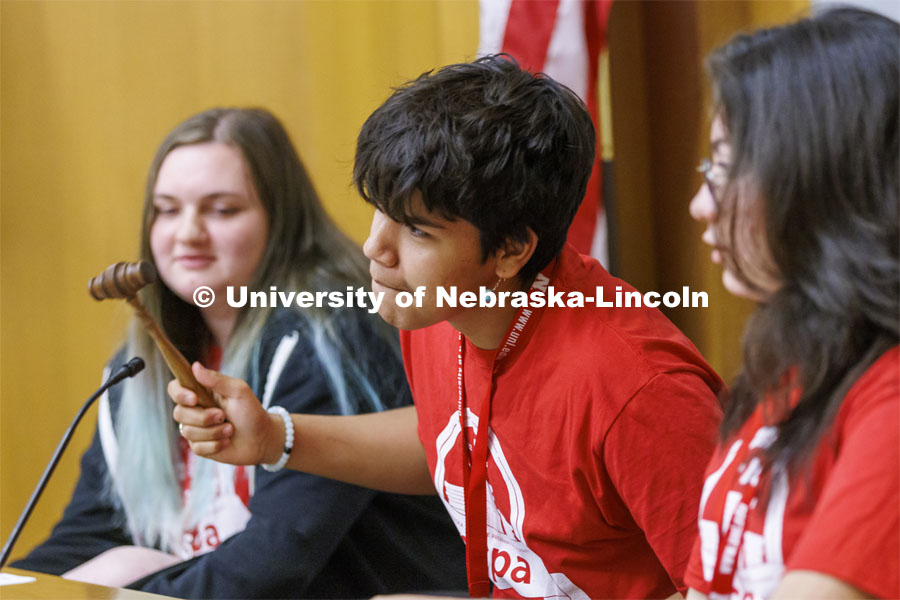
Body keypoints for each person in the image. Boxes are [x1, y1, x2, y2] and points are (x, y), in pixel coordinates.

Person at [171, 57, 725, 599]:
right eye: (379, 210)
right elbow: (451, 437)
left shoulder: (640, 392)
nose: (374, 248)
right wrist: (275, 436)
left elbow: (729, 587)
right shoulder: (441, 306)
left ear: (511, 249)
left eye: (415, 230)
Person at [11, 107, 467, 599]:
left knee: (124, 568)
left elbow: (271, 570)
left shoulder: (331, 337)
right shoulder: (142, 360)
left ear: (283, 220)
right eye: (166, 209)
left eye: (222, 210)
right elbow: (91, 531)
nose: (187, 233)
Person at [685, 8, 899, 600]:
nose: (702, 206)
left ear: (818, 174)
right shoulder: (788, 363)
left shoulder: (889, 393)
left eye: (724, 164)